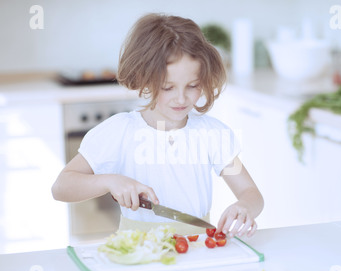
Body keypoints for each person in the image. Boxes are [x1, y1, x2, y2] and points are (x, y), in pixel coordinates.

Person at [51, 13, 264, 238]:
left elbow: (251, 193)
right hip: (138, 252)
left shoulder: (211, 134)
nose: (181, 99)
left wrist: (245, 207)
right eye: (167, 87)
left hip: (198, 247)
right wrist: (109, 181)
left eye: (192, 85)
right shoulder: (120, 131)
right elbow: (61, 187)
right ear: (144, 79)